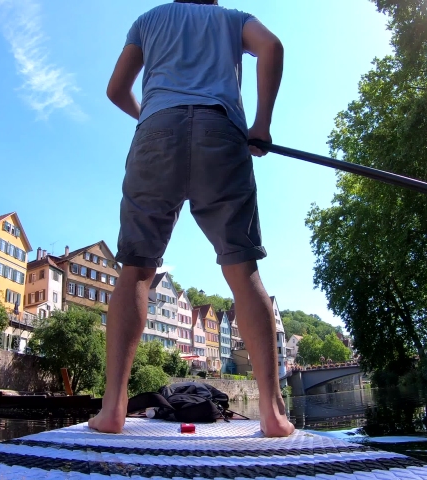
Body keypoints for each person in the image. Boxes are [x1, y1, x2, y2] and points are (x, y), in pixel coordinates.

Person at [88, 0, 292, 437]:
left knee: (137, 270)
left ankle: (112, 410)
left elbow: (115, 89)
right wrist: (261, 124)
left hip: (156, 132)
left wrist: (151, 114)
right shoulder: (233, 19)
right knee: (242, 269)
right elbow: (272, 46)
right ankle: (273, 414)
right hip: (222, 132)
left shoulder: (148, 20)